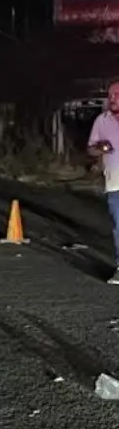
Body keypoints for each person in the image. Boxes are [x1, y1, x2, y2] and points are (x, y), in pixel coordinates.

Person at [88, 79, 119, 284]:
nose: (112, 99)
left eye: (117, 95)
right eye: (110, 95)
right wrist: (101, 148)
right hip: (115, 182)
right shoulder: (102, 120)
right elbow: (90, 148)